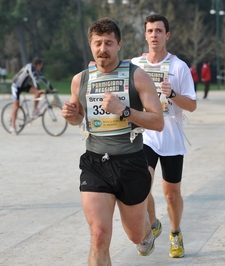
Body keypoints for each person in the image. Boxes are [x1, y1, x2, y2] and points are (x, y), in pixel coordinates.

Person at [61, 18, 164, 265]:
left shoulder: (137, 76)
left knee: (135, 234)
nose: (102, 49)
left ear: (119, 44)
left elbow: (158, 121)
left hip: (130, 162)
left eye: (108, 43)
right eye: (97, 43)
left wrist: (125, 110)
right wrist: (72, 117)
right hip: (95, 163)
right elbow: (80, 120)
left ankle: (147, 230)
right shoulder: (80, 80)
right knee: (99, 236)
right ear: (91, 45)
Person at [131, 13, 197, 259]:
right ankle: (153, 223)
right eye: (150, 31)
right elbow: (115, 70)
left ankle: (175, 232)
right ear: (145, 35)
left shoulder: (178, 66)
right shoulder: (135, 64)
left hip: (170, 134)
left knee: (171, 194)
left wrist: (172, 95)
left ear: (166, 35)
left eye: (159, 31)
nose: (154, 35)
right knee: (141, 184)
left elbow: (191, 105)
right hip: (145, 133)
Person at [10, 57, 55, 135]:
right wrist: (39, 88)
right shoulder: (30, 67)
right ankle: (12, 127)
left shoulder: (36, 70)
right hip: (16, 86)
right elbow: (34, 78)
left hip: (24, 86)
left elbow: (43, 79)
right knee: (16, 106)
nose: (41, 67)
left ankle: (34, 111)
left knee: (38, 93)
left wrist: (52, 88)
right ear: (37, 65)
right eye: (41, 65)